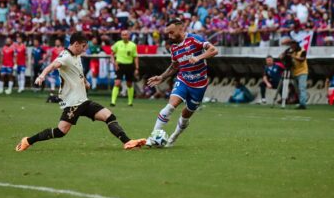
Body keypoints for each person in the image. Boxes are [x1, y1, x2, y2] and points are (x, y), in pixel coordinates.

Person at [15, 32, 146, 152]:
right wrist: (42, 76)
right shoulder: (65, 57)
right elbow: (52, 65)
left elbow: (78, 72)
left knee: (109, 116)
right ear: (76, 44)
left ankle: (127, 142)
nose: (85, 50)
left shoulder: (77, 56)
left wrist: (85, 82)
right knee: (61, 131)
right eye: (83, 46)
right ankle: (28, 141)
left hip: (83, 100)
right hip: (73, 103)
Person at [146, 19, 218, 147]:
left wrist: (198, 57)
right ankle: (153, 137)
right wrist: (162, 77)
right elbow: (174, 66)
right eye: (168, 33)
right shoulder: (174, 48)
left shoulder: (194, 39)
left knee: (185, 116)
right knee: (170, 106)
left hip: (199, 85)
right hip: (183, 80)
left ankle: (174, 137)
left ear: (180, 29)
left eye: (171, 33)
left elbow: (214, 50)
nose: (169, 36)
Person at [110, 30, 139, 107]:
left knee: (129, 84)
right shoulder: (117, 44)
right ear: (121, 36)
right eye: (123, 35)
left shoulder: (133, 45)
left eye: (126, 35)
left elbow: (135, 57)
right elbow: (112, 54)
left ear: (128, 36)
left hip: (129, 65)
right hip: (120, 65)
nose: (124, 36)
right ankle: (113, 102)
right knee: (117, 83)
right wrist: (114, 62)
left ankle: (130, 102)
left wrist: (136, 68)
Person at [281, 40, 308, 109]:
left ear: (296, 45)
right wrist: (284, 55)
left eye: (293, 45)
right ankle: (297, 101)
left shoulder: (302, 50)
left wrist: (293, 56)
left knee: (302, 87)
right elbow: (281, 56)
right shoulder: (289, 50)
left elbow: (302, 59)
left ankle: (302, 104)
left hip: (302, 72)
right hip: (293, 71)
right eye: (290, 45)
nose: (291, 46)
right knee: (296, 89)